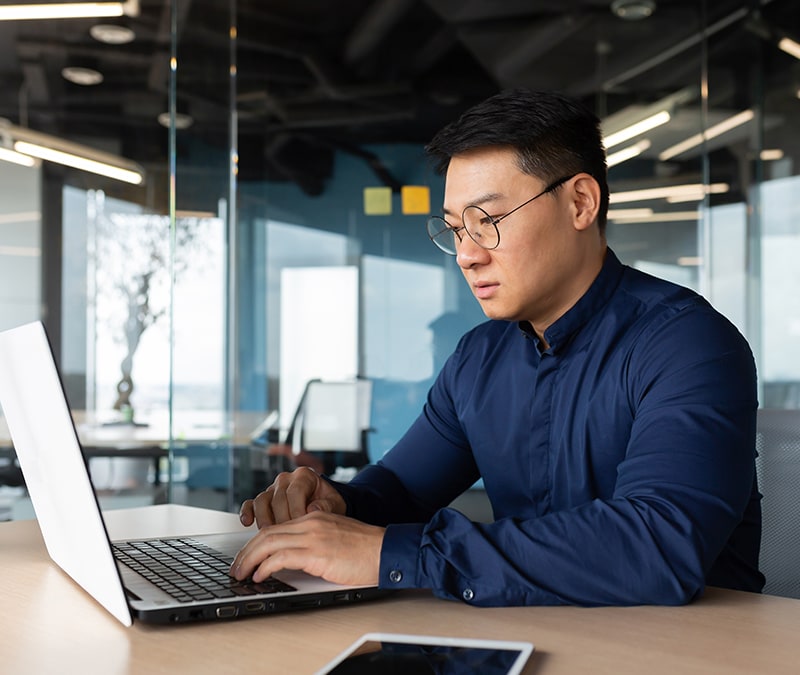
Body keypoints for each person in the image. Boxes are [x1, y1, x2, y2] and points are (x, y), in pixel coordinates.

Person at [230, 89, 765, 606]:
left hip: (686, 652)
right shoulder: (478, 358)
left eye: (487, 222)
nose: (466, 255)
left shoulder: (687, 343)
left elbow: (657, 547)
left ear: (581, 202)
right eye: (455, 229)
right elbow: (402, 489)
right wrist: (336, 503)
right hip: (536, 637)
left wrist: (388, 552)